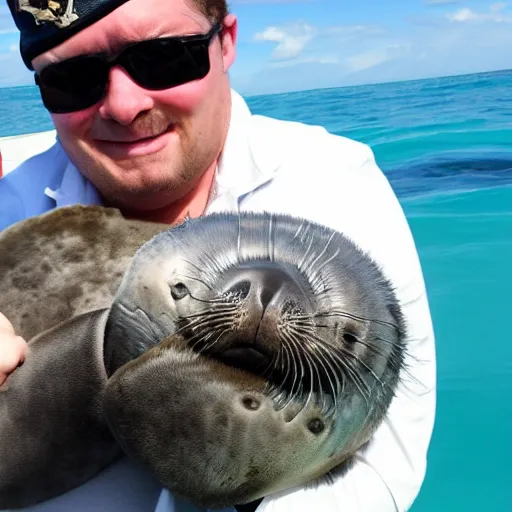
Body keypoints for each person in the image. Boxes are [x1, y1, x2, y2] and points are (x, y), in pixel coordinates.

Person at [0, 0, 437, 511]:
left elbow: (381, 467)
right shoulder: (12, 201)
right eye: (72, 80)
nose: (123, 105)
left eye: (164, 58)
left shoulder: (332, 184)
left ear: (225, 42)